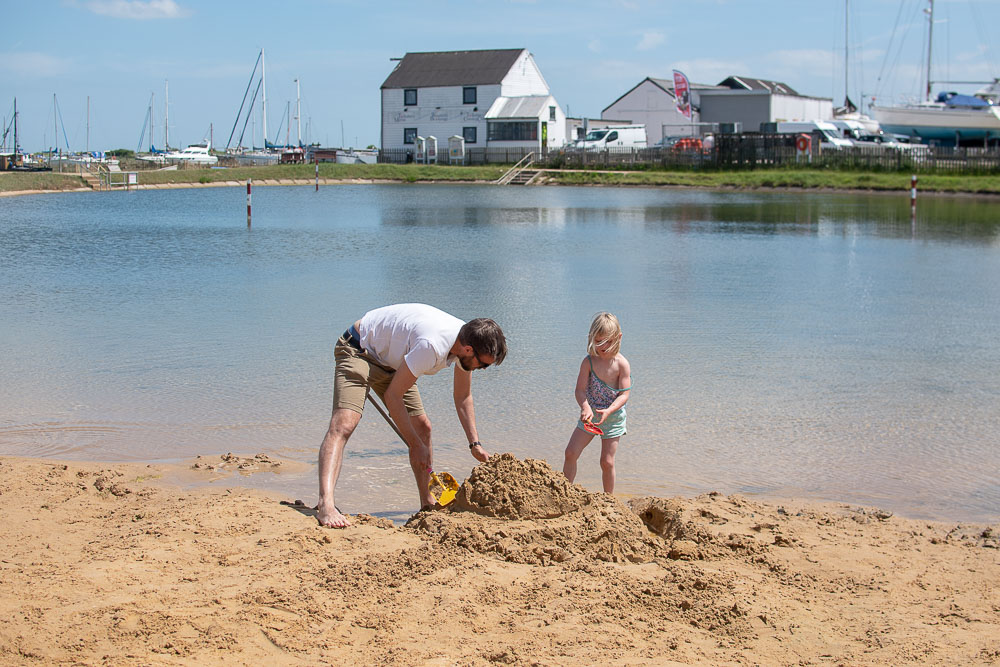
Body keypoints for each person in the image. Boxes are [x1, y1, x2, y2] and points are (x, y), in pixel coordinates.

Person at [317, 303, 507, 528]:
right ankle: (325, 506)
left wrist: (474, 443)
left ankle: (427, 503)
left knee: (423, 428)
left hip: (394, 363)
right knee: (344, 424)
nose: (481, 369)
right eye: (483, 365)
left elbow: (463, 396)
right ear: (468, 349)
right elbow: (393, 397)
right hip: (359, 350)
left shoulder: (466, 342)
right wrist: (414, 445)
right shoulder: (432, 346)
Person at [562, 312, 631, 494]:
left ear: (618, 338)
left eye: (608, 341)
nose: (603, 346)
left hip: (613, 417)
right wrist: (585, 407)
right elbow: (580, 390)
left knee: (606, 462)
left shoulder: (622, 364)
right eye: (598, 341)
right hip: (590, 415)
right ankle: (564, 492)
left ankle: (609, 499)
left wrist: (608, 411)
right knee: (570, 453)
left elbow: (624, 394)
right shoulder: (588, 362)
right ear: (592, 338)